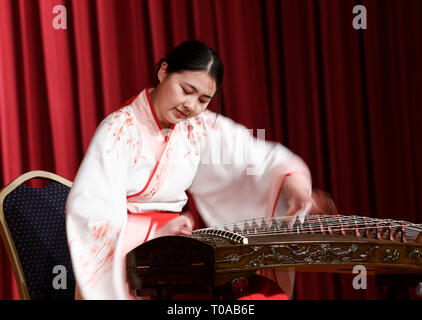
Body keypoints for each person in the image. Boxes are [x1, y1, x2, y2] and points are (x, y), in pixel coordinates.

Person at [66, 40, 322, 300]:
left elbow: (251, 156)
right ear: (163, 72)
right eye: (186, 90)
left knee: (263, 294)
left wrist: (291, 183)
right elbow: (91, 212)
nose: (191, 106)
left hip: (177, 256)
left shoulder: (196, 127)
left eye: (203, 99)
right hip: (131, 263)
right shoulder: (118, 131)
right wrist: (153, 236)